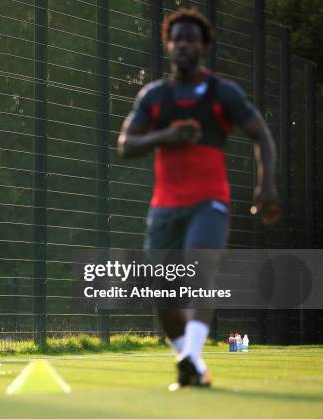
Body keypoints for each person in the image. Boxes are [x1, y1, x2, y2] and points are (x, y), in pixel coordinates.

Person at [117, 8, 280, 389]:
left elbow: (263, 136)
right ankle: (190, 364)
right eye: (178, 39)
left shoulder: (223, 93)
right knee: (162, 291)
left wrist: (267, 184)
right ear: (168, 45)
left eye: (192, 39)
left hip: (210, 202)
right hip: (165, 207)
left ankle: (190, 359)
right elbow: (125, 144)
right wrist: (165, 136)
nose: (184, 45)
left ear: (204, 46)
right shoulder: (154, 96)